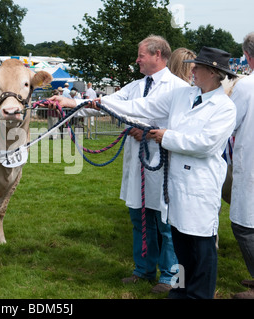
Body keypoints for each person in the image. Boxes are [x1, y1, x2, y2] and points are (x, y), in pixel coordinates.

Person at [51, 46, 237, 299]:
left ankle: (200, 295)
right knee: (182, 248)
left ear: (214, 73)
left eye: (198, 66)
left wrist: (165, 136)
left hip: (201, 189)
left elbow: (206, 143)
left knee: (201, 250)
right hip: (176, 188)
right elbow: (139, 107)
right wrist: (77, 102)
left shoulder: (224, 107)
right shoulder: (183, 95)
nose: (192, 69)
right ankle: (180, 292)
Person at [228, 32, 254, 299]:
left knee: (244, 225)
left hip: (250, 166)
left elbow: (228, 122)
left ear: (247, 56)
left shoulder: (246, 86)